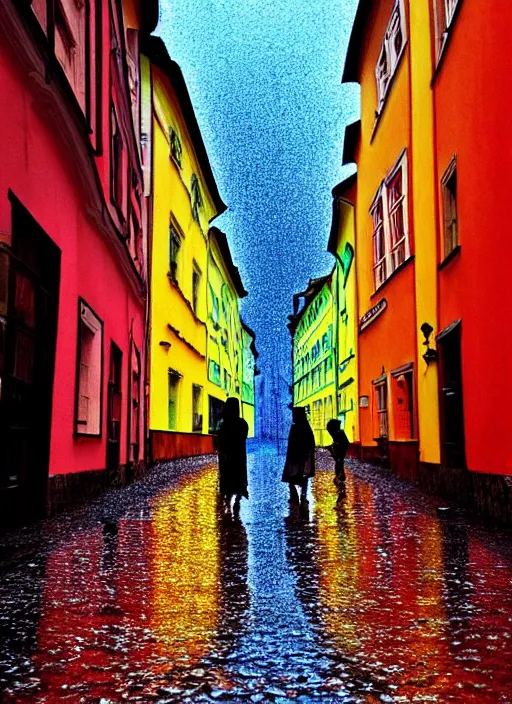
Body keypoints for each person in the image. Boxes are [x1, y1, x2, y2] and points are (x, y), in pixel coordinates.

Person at [216, 397, 249, 513]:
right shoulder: (242, 423)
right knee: (239, 478)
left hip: (226, 457)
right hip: (239, 457)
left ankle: (228, 501)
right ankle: (237, 500)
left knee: (227, 478)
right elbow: (244, 437)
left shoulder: (223, 424)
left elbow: (219, 441)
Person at [282, 407, 316, 507]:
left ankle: (295, 496)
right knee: (303, 478)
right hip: (304, 458)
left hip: (295, 458)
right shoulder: (306, 426)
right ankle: (302, 496)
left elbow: (292, 444)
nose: (292, 417)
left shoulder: (296, 427)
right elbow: (311, 443)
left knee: (291, 477)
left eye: (293, 415)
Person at [326, 419, 349, 505]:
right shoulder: (339, 434)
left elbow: (342, 445)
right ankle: (341, 491)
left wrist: (333, 448)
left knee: (339, 470)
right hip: (339, 455)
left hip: (339, 455)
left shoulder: (339, 434)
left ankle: (341, 491)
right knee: (339, 468)